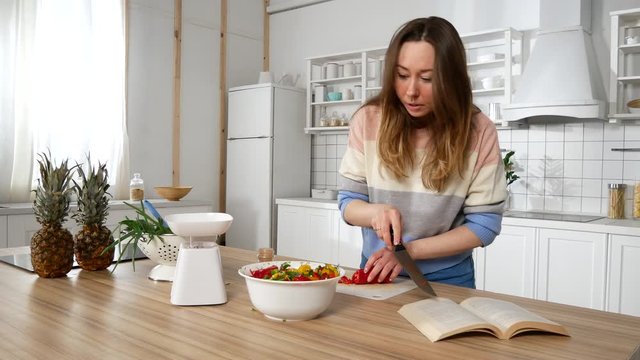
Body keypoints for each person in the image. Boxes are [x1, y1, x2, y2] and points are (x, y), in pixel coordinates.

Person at [337, 17, 507, 289]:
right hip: (377, 271)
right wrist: (375, 212)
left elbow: (484, 225)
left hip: (449, 278)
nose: (411, 91)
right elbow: (349, 202)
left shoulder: (479, 131)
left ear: (451, 80)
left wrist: (409, 253)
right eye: (402, 75)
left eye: (427, 78)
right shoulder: (368, 121)